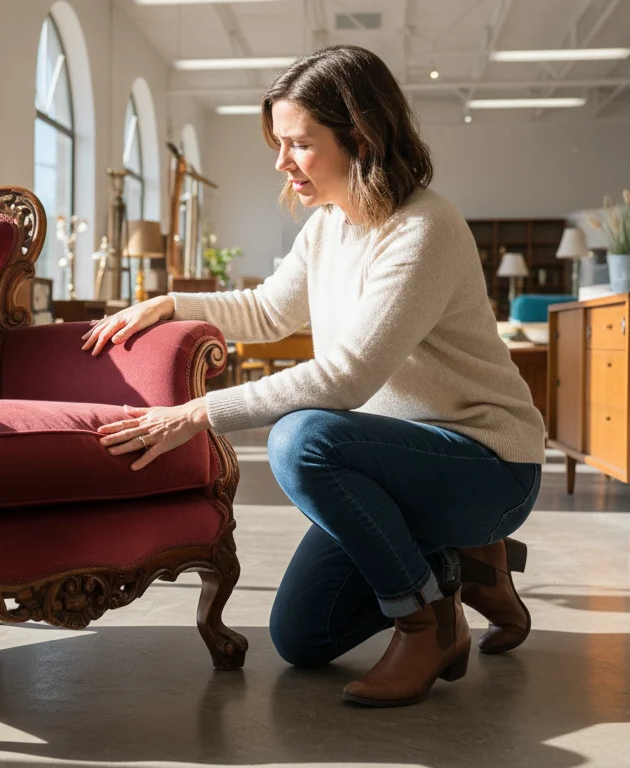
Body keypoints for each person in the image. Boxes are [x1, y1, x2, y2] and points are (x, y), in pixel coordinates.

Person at [80, 45, 544, 707]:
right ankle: (465, 566)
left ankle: (427, 621)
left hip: (487, 468)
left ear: (359, 138)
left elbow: (346, 379)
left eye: (298, 143)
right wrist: (172, 304)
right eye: (279, 142)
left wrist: (192, 415)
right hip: (393, 465)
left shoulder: (423, 229)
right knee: (302, 636)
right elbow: (269, 310)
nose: (281, 161)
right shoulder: (331, 224)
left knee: (301, 441)